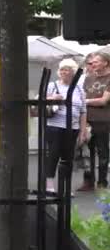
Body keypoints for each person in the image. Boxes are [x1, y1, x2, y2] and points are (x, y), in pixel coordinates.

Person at [45, 59, 87, 192]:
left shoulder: (79, 89)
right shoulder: (52, 85)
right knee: (53, 155)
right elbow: (40, 100)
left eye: (67, 69)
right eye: (62, 69)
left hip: (72, 128)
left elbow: (83, 110)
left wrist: (83, 130)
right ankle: (49, 186)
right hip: (54, 126)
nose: (63, 72)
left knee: (68, 158)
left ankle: (65, 187)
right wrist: (52, 98)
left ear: (73, 72)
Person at [80, 51, 110, 191]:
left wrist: (85, 101)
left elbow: (103, 101)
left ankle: (102, 182)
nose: (93, 64)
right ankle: (88, 181)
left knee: (102, 150)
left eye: (96, 61)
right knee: (86, 151)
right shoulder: (88, 78)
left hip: (103, 120)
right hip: (87, 119)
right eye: (92, 62)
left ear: (105, 62)